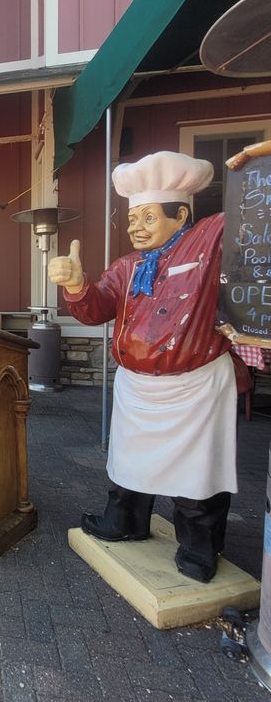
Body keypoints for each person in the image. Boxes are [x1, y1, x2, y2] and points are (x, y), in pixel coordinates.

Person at [48, 151, 238, 583]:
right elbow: (97, 309)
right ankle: (126, 521)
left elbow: (247, 218)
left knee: (197, 472)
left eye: (149, 218)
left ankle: (199, 547)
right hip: (137, 386)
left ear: (182, 214)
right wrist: (77, 285)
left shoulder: (208, 240)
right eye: (133, 220)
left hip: (196, 385)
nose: (137, 228)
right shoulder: (127, 267)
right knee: (128, 460)